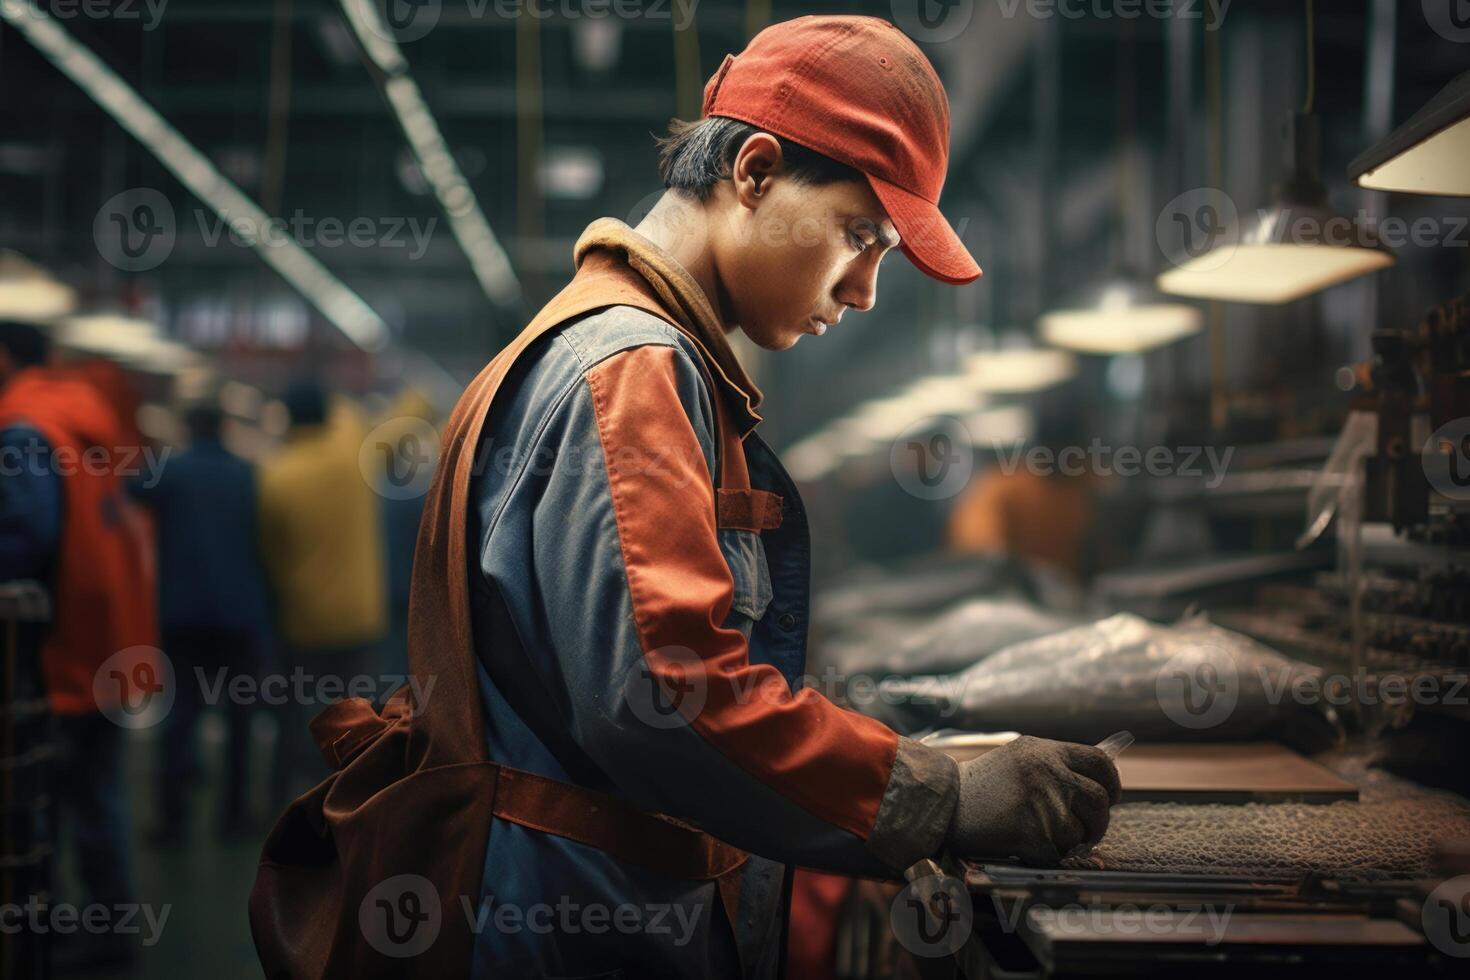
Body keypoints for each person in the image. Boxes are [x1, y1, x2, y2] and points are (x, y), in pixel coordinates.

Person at [251, 17, 1120, 978]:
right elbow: (669, 693)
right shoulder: (634, 369)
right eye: (861, 237)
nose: (867, 289)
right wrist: (934, 795)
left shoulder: (620, 352)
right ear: (753, 173)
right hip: (568, 923)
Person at [0, 319, 154, 970]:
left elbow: (23, 536)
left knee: (43, 804)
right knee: (95, 796)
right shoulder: (85, 425)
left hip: (59, 653)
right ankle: (109, 923)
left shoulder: (26, 432)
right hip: (108, 644)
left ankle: (59, 927)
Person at [129, 400, 272, 842]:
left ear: (188, 428)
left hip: (183, 614)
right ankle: (233, 818)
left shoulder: (171, 471)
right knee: (238, 720)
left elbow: (129, 489)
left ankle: (173, 820)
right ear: (226, 426)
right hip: (239, 614)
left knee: (180, 716)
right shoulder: (248, 475)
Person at [256, 380, 387, 810]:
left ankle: (288, 803)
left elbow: (272, 555)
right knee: (357, 717)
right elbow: (411, 406)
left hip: (304, 620)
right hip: (360, 616)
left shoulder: (277, 476)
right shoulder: (354, 449)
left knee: (296, 717)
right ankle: (354, 803)